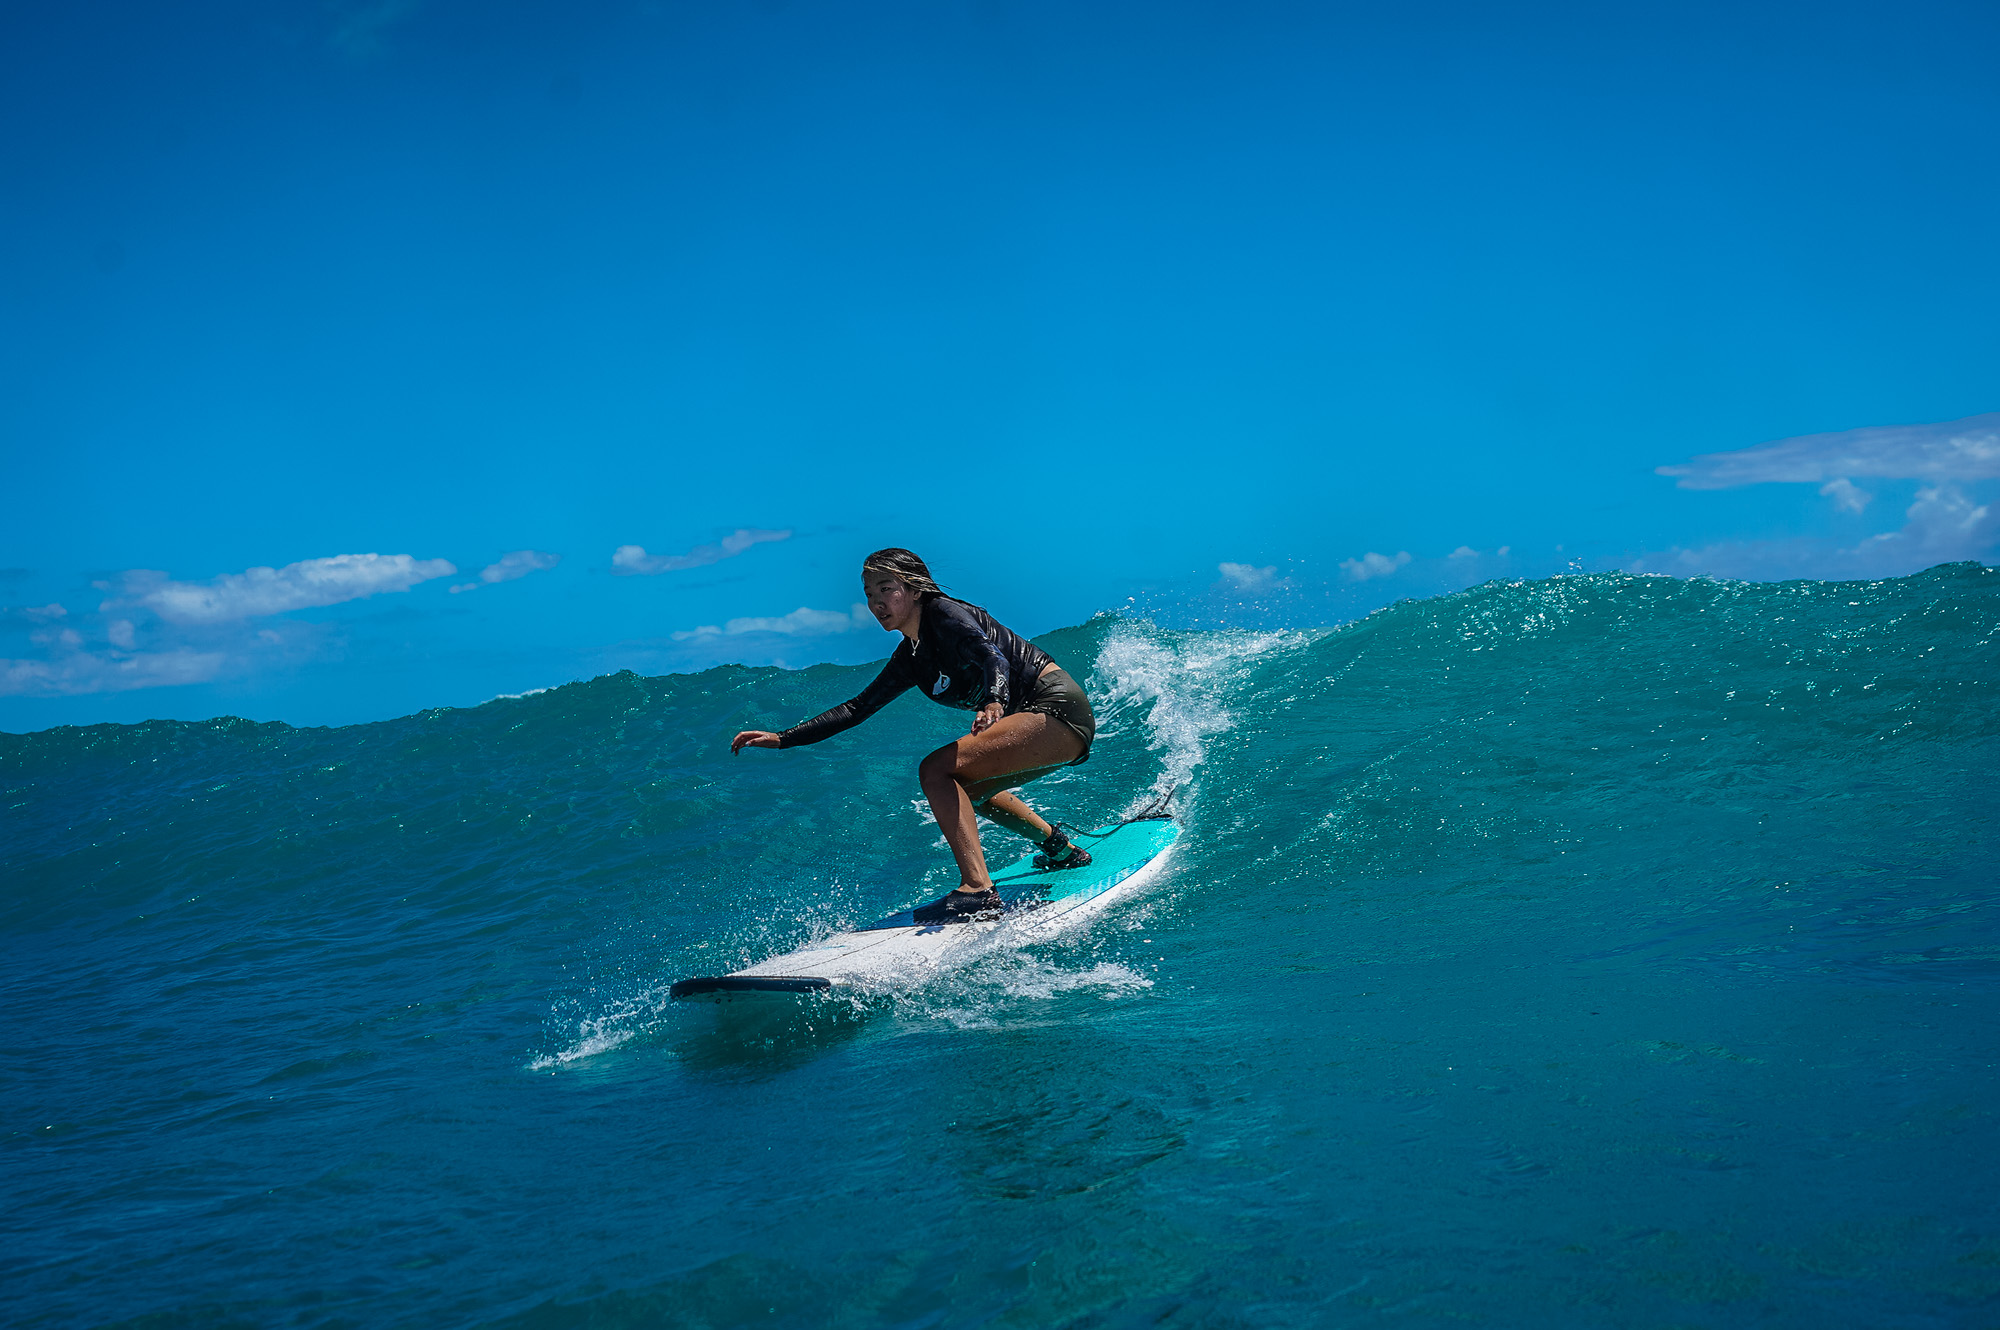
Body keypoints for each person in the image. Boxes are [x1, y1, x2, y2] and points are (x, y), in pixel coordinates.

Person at [731, 548, 1097, 923]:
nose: (876, 603)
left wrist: (993, 700)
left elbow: (993, 658)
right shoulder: (911, 657)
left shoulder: (946, 614)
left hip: (1056, 708)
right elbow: (857, 708)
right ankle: (1059, 848)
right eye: (869, 594)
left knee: (936, 770)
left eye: (886, 589)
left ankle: (977, 890)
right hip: (1041, 722)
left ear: (915, 589)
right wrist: (783, 738)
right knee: (966, 790)